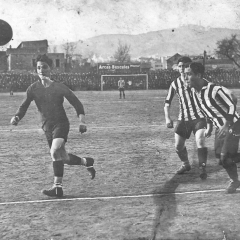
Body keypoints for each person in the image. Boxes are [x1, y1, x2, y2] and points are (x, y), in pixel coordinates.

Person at [10, 54, 96, 198]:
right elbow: (23, 106)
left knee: (54, 151)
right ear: (36, 70)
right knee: (62, 157)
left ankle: (57, 188)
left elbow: (76, 103)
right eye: (38, 67)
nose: (41, 70)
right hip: (47, 127)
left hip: (61, 124)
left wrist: (82, 121)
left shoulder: (59, 87)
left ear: (50, 69)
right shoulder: (33, 89)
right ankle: (86, 161)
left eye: (44, 67)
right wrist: (17, 117)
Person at [185, 62, 240, 193]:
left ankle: (235, 181)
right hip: (219, 127)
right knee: (219, 157)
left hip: (233, 124)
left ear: (198, 75)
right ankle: (235, 180)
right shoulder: (195, 92)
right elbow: (206, 111)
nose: (185, 77)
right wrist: (209, 126)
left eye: (189, 74)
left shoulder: (214, 89)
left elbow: (232, 104)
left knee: (225, 157)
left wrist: (227, 124)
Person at [164, 56, 211, 180]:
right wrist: (167, 118)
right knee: (178, 146)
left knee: (200, 140)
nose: (182, 68)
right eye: (180, 66)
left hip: (200, 118)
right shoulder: (175, 84)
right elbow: (167, 102)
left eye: (185, 66)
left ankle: (202, 167)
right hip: (183, 119)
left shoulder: (200, 80)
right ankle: (186, 164)